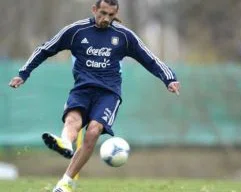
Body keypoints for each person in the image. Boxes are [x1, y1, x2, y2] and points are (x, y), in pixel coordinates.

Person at [9, 0, 180, 191]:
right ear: (94, 9)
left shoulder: (124, 36)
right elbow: (45, 49)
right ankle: (65, 143)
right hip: (82, 89)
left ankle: (65, 182)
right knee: (73, 120)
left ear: (116, 14)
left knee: (93, 131)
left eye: (111, 15)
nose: (106, 19)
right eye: (103, 13)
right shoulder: (76, 31)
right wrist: (23, 73)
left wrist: (168, 78)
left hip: (109, 94)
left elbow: (150, 58)